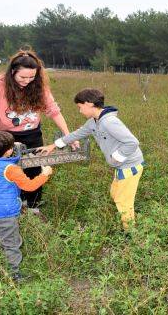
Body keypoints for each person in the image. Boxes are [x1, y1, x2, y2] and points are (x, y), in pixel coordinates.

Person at [0, 50, 69, 213]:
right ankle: (15, 205)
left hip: (33, 135)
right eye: (23, 77)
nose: (27, 81)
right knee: (11, 172)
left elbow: (53, 111)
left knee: (34, 169)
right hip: (6, 137)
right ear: (13, 72)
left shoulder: (38, 86)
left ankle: (33, 206)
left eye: (31, 77)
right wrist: (0, 143)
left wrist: (68, 135)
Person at [41, 88, 144, 231]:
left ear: (89, 104)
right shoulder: (94, 122)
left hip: (129, 166)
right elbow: (77, 134)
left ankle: (130, 233)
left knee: (123, 201)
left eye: (80, 107)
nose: (80, 111)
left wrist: (116, 158)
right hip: (121, 166)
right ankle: (126, 221)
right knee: (115, 194)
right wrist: (55, 145)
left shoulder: (109, 122)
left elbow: (132, 142)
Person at [0, 131, 53, 282]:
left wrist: (15, 151)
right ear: (8, 151)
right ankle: (15, 274)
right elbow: (30, 186)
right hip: (5, 213)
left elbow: (6, 161)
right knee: (11, 243)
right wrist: (45, 174)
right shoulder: (12, 170)